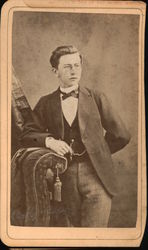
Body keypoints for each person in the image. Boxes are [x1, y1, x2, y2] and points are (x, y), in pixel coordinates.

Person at [20, 45, 131, 227]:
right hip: (64, 177)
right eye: (67, 67)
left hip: (97, 176)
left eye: (77, 65)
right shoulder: (46, 102)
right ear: (55, 71)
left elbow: (122, 134)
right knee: (73, 234)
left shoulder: (96, 97)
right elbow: (27, 133)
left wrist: (98, 152)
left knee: (94, 237)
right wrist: (50, 142)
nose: (74, 71)